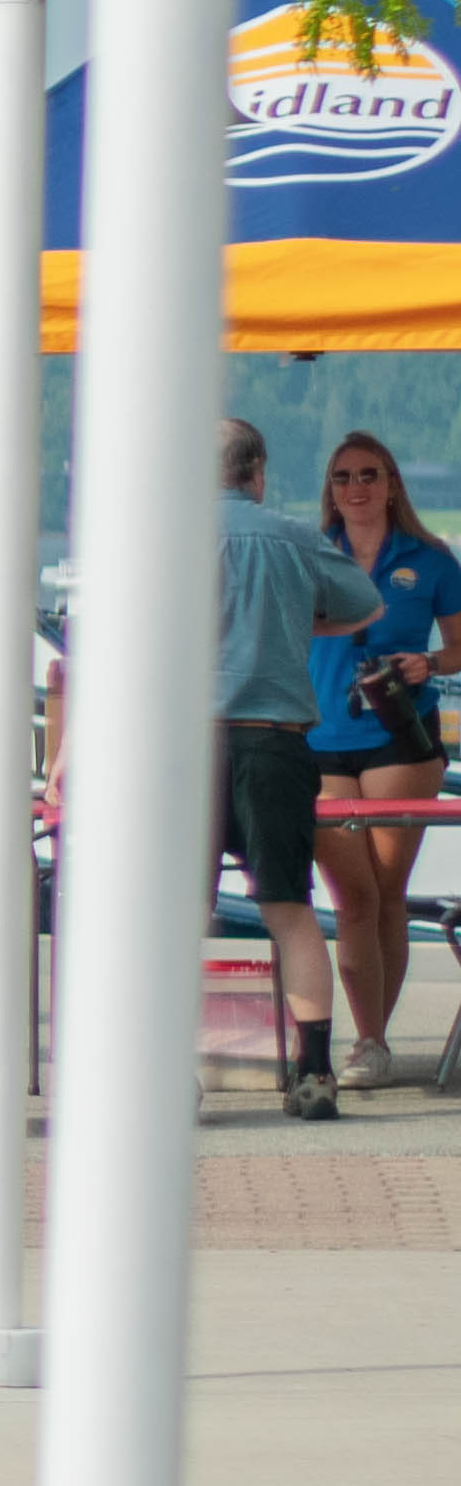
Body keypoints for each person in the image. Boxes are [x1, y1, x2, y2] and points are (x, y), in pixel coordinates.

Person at [209, 413, 384, 1116]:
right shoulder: (292, 537)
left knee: (181, 914)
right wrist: (296, 619)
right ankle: (314, 1073)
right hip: (273, 741)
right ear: (257, 474)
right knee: (288, 908)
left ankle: (173, 1072)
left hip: (181, 747)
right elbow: (365, 606)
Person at [306, 428, 461, 1088]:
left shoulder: (429, 559)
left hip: (402, 734)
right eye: (343, 478)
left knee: (386, 894)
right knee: (351, 898)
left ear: (392, 483)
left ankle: (371, 1039)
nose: (356, 488)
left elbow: (459, 648)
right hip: (320, 738)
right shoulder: (312, 555)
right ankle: (366, 1038)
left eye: (369, 474)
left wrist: (429, 661)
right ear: (331, 493)